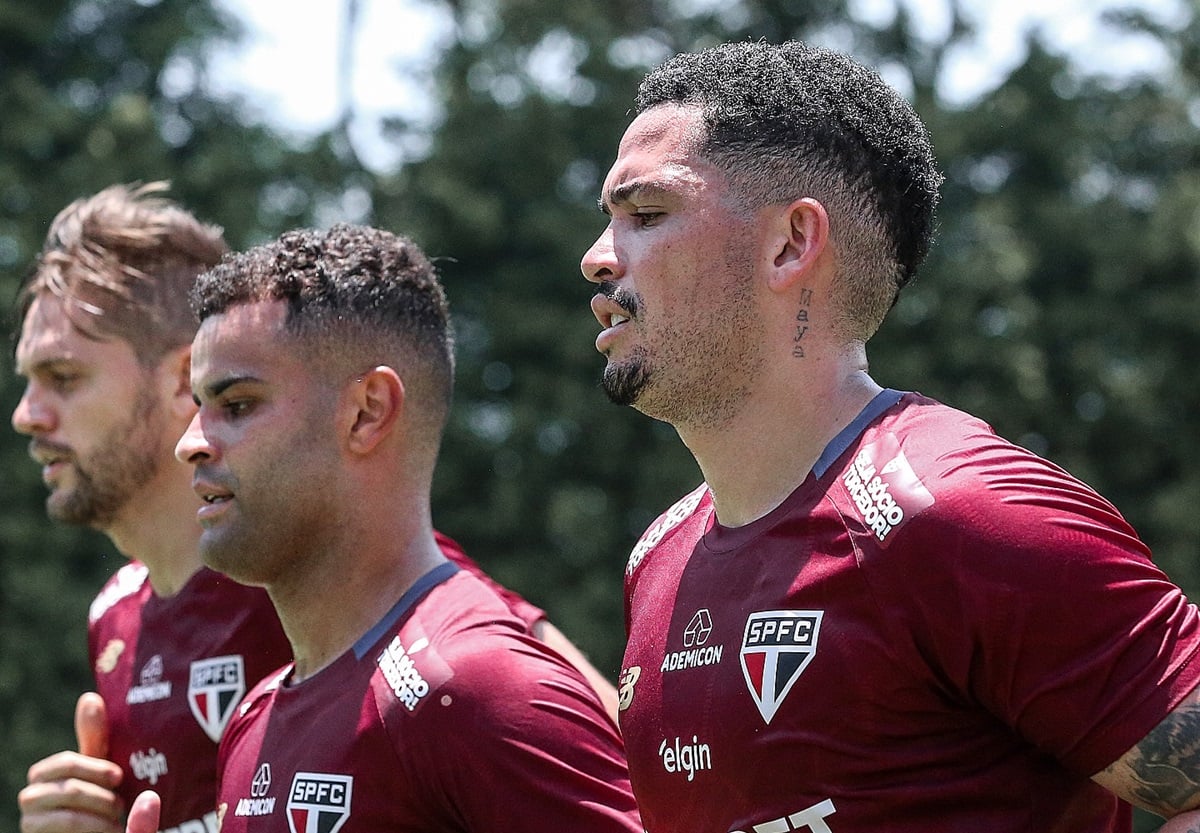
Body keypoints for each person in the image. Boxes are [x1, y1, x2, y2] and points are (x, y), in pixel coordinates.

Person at [580, 40, 1200, 833]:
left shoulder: (967, 515)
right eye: (608, 221)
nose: (599, 259)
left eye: (647, 214)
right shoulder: (656, 558)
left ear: (790, 244)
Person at [13, 186, 615, 833]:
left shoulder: (334, 571)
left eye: (64, 377)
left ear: (174, 377)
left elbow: (589, 730)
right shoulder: (118, 616)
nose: (26, 413)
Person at [162, 223, 639, 832]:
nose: (191, 444)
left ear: (367, 413)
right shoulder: (253, 718)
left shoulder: (480, 689)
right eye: (196, 408)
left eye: (237, 405)